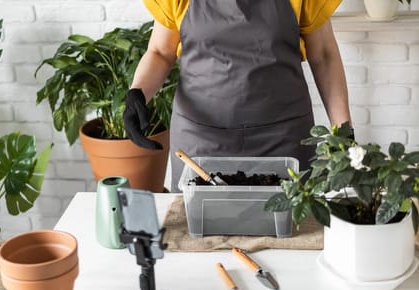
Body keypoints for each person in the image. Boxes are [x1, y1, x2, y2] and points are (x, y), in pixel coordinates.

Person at [123, 0, 352, 192]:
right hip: (200, 142)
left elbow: (323, 54)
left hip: (284, 141)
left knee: (291, 234)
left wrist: (343, 134)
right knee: (197, 234)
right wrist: (137, 93)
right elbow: (161, 52)